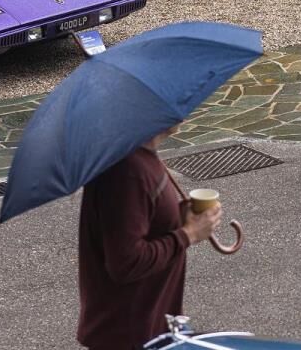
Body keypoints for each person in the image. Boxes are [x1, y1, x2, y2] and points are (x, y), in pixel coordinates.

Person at [78, 124, 222, 350]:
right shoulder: (127, 171)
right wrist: (188, 234)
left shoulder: (140, 155)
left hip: (149, 328)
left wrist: (178, 216)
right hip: (130, 335)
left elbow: (140, 218)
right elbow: (126, 262)